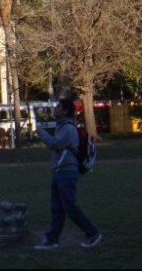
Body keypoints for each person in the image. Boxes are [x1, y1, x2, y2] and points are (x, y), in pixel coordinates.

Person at [34, 97, 102, 250]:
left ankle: (93, 233)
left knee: (70, 207)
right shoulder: (63, 127)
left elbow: (55, 144)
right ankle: (53, 239)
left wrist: (41, 133)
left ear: (65, 110)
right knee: (57, 207)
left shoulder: (68, 128)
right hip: (60, 172)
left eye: (58, 106)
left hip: (67, 172)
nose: (55, 108)